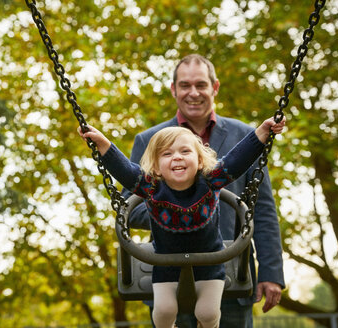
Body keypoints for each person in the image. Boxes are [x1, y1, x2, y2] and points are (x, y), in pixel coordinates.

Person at [78, 116, 285, 328]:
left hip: (211, 260)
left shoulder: (212, 180)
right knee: (163, 312)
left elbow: (237, 159)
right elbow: (125, 170)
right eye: (167, 154)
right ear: (156, 167)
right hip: (166, 262)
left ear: (200, 161)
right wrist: (103, 144)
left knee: (207, 312)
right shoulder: (151, 188)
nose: (176, 157)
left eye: (185, 152)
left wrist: (262, 133)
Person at [126, 54, 285, 327]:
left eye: (201, 84)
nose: (193, 93)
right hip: (169, 274)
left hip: (230, 270)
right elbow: (131, 208)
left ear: (215, 87)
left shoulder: (244, 137)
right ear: (174, 90)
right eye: (185, 85)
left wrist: (271, 271)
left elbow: (263, 209)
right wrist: (175, 209)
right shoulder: (150, 141)